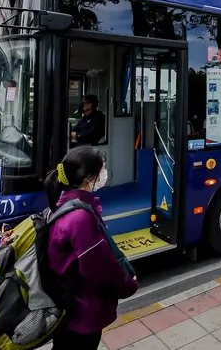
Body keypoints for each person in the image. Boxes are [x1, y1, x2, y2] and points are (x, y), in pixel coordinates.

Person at [46, 146, 138, 350]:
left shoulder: (64, 204)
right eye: (102, 169)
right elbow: (100, 269)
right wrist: (128, 284)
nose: (105, 174)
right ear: (89, 178)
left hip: (69, 310)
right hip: (82, 314)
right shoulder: (80, 218)